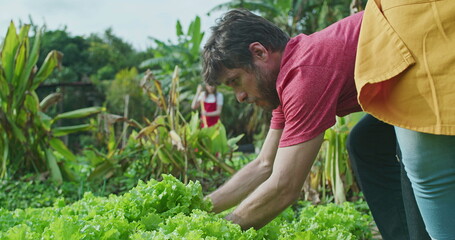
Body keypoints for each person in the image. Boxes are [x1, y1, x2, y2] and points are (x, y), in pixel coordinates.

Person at [200, 5, 445, 238]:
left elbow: (284, 187)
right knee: (365, 143)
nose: (240, 97)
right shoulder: (286, 80)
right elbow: (264, 163)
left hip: (433, 62)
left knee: (408, 150)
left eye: (235, 82)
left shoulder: (304, 75)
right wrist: (201, 209)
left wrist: (213, 233)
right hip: (408, 80)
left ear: (260, 52)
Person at [354, 0, 455, 239]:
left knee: (432, 181)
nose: (244, 97)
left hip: (414, 42)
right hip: (413, 37)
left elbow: (282, 179)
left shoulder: (302, 72)